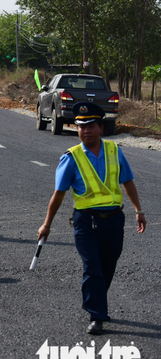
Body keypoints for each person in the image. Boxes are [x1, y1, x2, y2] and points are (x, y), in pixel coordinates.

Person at [38, 102, 146, 335]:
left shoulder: (115, 151)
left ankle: (97, 301)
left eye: (89, 126)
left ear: (100, 128)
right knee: (92, 266)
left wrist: (138, 210)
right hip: (86, 222)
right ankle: (96, 314)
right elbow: (58, 194)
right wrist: (47, 224)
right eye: (80, 126)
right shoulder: (71, 157)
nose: (85, 130)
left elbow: (127, 181)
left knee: (109, 265)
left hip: (115, 220)